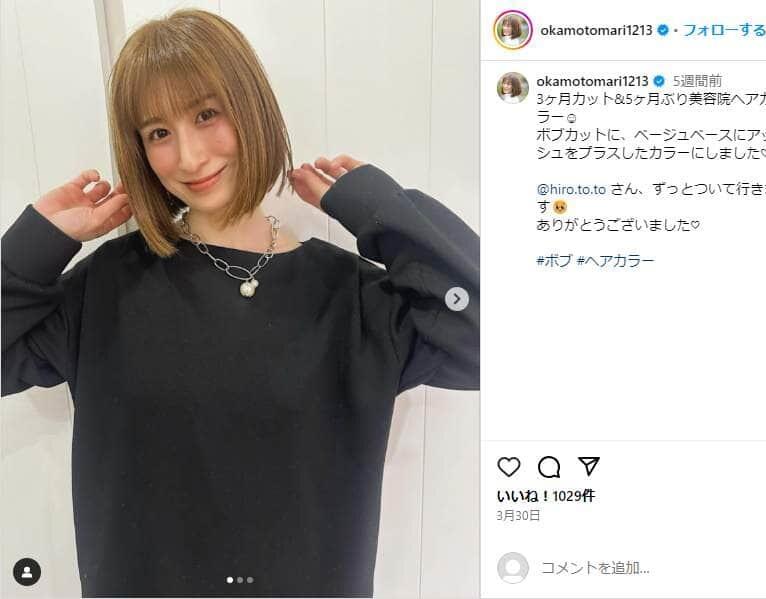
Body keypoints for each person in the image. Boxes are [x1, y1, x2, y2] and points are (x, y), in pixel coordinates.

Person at [1, 8, 479, 598]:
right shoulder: (104, 291)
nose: (189, 156)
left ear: (251, 106)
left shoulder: (357, 303)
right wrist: (36, 243)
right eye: (158, 133)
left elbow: (489, 339)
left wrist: (382, 213)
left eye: (207, 114)